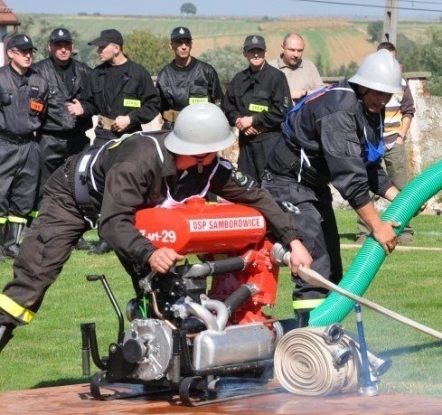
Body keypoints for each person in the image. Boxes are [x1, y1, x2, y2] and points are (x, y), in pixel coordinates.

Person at [0, 102, 312, 356]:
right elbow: (111, 224)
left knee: (166, 290)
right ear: (195, 150)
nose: (217, 157)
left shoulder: (208, 166)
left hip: (128, 211)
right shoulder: (138, 162)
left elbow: (258, 197)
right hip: (72, 199)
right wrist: (149, 253)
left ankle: (165, 364)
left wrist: (292, 240)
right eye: (212, 151)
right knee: (31, 284)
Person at [263, 49, 403, 326]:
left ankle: (329, 335)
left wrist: (398, 196)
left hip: (313, 187)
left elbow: (366, 165)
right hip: (288, 186)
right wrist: (377, 226)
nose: (382, 99)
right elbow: (350, 179)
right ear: (362, 84)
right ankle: (309, 341)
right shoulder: (338, 111)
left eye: (388, 94)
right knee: (315, 265)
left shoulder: (368, 108)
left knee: (332, 269)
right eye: (377, 92)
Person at [73, 28, 161, 254]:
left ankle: (132, 232)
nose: (99, 51)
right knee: (100, 184)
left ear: (117, 48)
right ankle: (106, 236)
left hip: (129, 137)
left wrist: (130, 118)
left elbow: (152, 106)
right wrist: (82, 108)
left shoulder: (138, 73)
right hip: (103, 136)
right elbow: (91, 104)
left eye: (103, 47)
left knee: (128, 185)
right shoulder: (96, 74)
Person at [356, 41, 416, 244]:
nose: (382, 99)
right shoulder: (363, 89)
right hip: (371, 143)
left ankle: (404, 231)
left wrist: (400, 137)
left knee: (400, 186)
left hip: (393, 141)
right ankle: (365, 233)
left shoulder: (402, 84)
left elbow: (409, 110)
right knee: (365, 186)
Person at [0, 34, 49, 261]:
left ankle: (12, 244)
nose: (29, 55)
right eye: (22, 51)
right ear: (11, 53)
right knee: (0, 195)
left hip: (30, 146)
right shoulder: (0, 79)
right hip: (4, 144)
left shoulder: (39, 82)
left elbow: (44, 115)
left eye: (30, 51)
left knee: (24, 197)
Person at [32, 28, 93, 203]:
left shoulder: (85, 72)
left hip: (78, 138)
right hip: (49, 139)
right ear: (49, 47)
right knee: (46, 186)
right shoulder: (37, 71)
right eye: (58, 45)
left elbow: (97, 101)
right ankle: (45, 222)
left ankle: (76, 222)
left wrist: (85, 107)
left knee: (79, 183)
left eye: (66, 45)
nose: (63, 49)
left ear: (72, 46)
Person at [223, 35, 292, 184]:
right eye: (252, 51)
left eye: (259, 51)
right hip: (246, 143)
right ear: (245, 54)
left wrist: (253, 120)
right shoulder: (238, 79)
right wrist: (239, 122)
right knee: (248, 187)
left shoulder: (276, 77)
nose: (256, 54)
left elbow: (283, 110)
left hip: (270, 142)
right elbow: (227, 107)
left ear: (265, 53)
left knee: (272, 187)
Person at [156, 26, 223, 130]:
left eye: (187, 42)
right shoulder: (164, 75)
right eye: (179, 42)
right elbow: (160, 106)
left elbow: (219, 102)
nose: (184, 47)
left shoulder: (207, 71)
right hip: (174, 130)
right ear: (171, 45)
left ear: (191, 45)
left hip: (203, 129)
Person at [269, 33, 324, 103]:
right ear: (282, 48)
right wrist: (287, 96)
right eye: (292, 50)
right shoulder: (270, 68)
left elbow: (321, 92)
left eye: (300, 50)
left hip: (305, 112)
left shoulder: (309, 67)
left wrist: (304, 93)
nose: (296, 55)